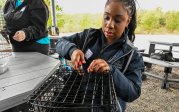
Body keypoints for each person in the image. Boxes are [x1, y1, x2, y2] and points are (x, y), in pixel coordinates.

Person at [56, 0, 144, 111]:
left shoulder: (132, 55)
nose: (109, 24)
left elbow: (133, 92)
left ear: (127, 21)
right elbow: (60, 43)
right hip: (75, 101)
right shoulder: (88, 36)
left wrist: (111, 71)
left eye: (117, 20)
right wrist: (72, 51)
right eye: (107, 17)